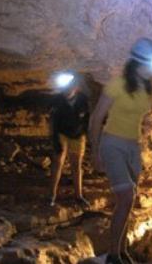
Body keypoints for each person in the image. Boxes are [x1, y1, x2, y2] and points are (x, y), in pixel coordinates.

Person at [89, 38, 152, 264]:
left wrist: (144, 132)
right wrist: (94, 152)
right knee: (124, 197)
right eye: (150, 66)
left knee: (130, 198)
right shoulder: (118, 84)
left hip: (133, 147)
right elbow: (96, 119)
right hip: (112, 143)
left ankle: (122, 249)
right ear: (138, 63)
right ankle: (113, 255)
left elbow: (140, 118)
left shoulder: (148, 90)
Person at [49, 72, 90, 207]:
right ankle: (52, 195)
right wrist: (55, 141)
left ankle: (78, 196)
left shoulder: (83, 100)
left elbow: (87, 119)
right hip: (62, 133)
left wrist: (85, 134)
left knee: (76, 164)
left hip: (77, 135)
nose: (67, 91)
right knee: (58, 162)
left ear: (76, 89)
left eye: (70, 89)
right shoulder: (57, 101)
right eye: (65, 89)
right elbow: (53, 123)